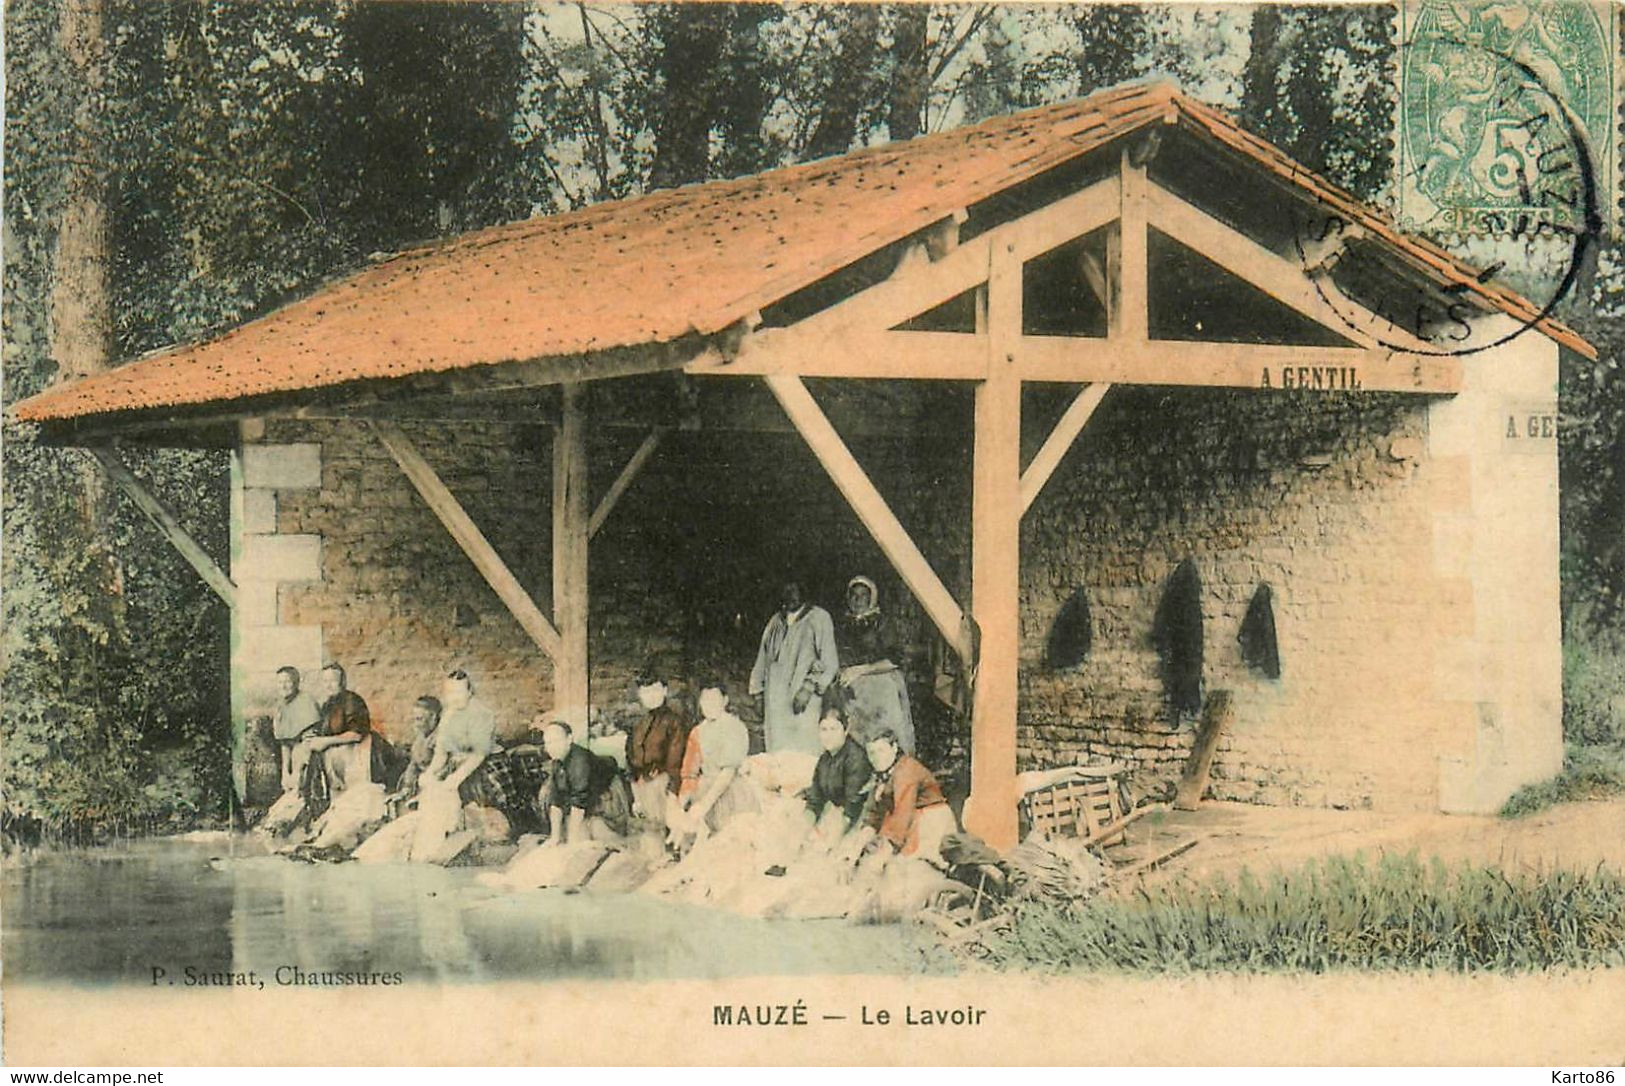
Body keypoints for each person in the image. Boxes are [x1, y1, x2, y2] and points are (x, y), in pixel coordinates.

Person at [748, 580, 838, 755]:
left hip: (803, 699)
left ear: (804, 590)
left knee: (804, 751)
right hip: (775, 701)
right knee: (778, 752)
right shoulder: (775, 621)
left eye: (795, 589)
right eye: (786, 589)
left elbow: (829, 659)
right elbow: (762, 659)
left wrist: (809, 687)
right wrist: (757, 693)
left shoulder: (819, 618)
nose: (791, 594)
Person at [829, 574, 915, 753]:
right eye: (853, 595)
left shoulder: (881, 622)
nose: (857, 600)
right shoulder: (843, 624)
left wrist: (861, 670)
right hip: (850, 686)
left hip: (879, 684)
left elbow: (894, 659)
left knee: (883, 737)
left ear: (872, 597)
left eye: (863, 595)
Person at [847, 730, 956, 868]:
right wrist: (855, 850)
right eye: (871, 753)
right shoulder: (881, 775)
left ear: (894, 748)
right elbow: (873, 814)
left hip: (930, 821)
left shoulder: (906, 770)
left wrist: (883, 855)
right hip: (908, 821)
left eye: (881, 750)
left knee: (897, 866)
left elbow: (902, 815)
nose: (876, 757)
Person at [671, 683, 756, 850]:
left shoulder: (734, 727)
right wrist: (679, 810)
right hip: (704, 790)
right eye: (705, 700)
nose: (709, 705)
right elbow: (690, 774)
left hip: (732, 791)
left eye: (714, 700)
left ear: (724, 701)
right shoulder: (697, 731)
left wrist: (704, 806)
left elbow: (728, 772)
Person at [536, 720, 633, 845]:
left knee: (595, 837)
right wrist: (554, 837)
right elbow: (556, 799)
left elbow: (579, 800)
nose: (551, 747)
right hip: (588, 800)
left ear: (569, 739)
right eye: (547, 743)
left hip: (608, 797)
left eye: (556, 741)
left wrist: (573, 839)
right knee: (571, 834)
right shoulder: (557, 761)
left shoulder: (580, 761)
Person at [626, 668, 691, 827]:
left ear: (665, 691)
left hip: (663, 787)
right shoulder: (638, 725)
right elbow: (630, 760)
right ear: (640, 695)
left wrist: (672, 796)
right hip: (641, 788)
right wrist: (636, 795)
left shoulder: (674, 722)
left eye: (655, 690)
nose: (651, 696)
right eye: (646, 692)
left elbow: (675, 764)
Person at [804, 710, 873, 839]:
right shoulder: (824, 760)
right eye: (823, 729)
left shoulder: (856, 758)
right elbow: (815, 800)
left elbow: (853, 807)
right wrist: (803, 830)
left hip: (858, 820)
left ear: (845, 730)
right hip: (837, 816)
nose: (828, 735)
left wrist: (832, 839)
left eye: (833, 729)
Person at [386, 695, 441, 818]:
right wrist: (406, 787)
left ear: (433, 718)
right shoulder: (421, 737)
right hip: (420, 786)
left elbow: (441, 772)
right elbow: (413, 764)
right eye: (414, 719)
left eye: (419, 719)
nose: (415, 724)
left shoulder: (441, 739)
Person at [271, 666, 322, 791]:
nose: (283, 686)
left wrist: (297, 772)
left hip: (309, 754)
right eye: (280, 682)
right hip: (294, 755)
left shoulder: (306, 701)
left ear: (296, 682)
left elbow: (309, 741)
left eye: (287, 682)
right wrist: (285, 773)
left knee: (299, 786)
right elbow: (285, 742)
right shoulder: (280, 705)